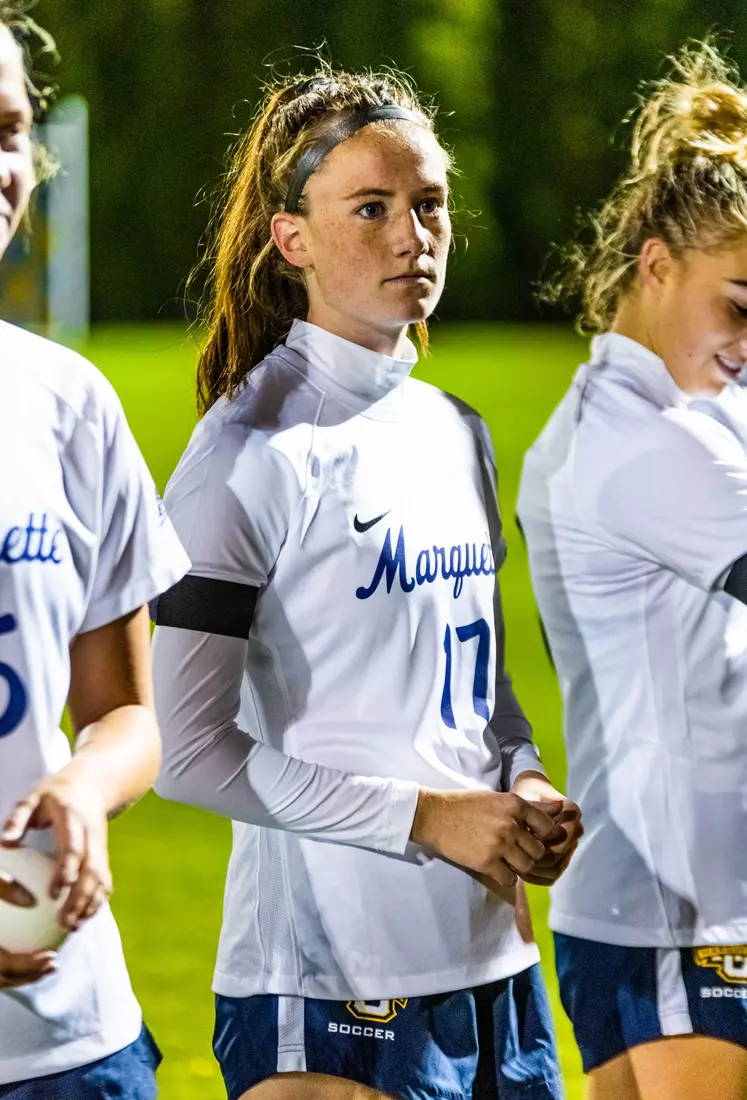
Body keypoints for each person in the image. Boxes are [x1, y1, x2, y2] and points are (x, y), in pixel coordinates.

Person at [150, 64, 583, 1100]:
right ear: (290, 238)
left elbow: (477, 685)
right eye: (372, 208)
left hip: (495, 968)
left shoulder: (456, 430)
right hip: (326, 987)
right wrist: (430, 819)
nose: (410, 236)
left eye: (428, 204)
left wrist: (519, 779)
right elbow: (185, 751)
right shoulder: (250, 447)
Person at [517, 40, 747, 1100]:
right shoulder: (650, 445)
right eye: (739, 304)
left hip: (650, 904)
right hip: (684, 915)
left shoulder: (660, 413)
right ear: (654, 263)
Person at [0, 6, 190, 1097]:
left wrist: (81, 785)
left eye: (10, 128)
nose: (0, 161)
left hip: (79, 1046)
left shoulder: (67, 400)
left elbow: (128, 713)